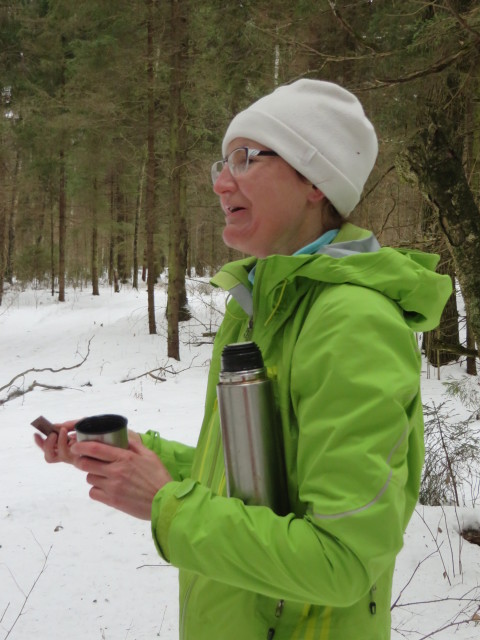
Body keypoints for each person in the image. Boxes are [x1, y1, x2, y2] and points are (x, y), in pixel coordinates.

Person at [35, 79, 452, 639]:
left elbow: (343, 561)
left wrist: (165, 503)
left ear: (314, 180)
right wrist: (140, 457)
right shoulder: (259, 306)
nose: (220, 182)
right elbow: (256, 482)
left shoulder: (353, 322)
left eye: (245, 159)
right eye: (222, 162)